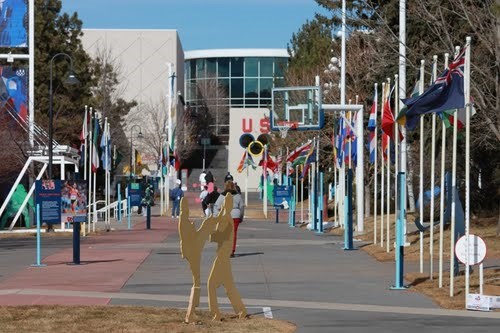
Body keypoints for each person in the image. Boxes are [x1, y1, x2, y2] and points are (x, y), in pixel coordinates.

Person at [212, 180, 244, 257]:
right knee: (233, 234)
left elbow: (216, 206)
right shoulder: (238, 196)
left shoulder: (222, 196)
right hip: (236, 216)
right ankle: (232, 251)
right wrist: (241, 217)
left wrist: (216, 216)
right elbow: (242, 207)